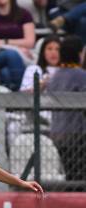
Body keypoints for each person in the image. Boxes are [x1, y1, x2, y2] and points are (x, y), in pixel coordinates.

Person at [47, 35, 86, 181]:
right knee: (80, 178)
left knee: (72, 175)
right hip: (78, 136)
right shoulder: (81, 76)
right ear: (78, 54)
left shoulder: (55, 76)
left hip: (58, 134)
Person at [0, 0, 35, 91]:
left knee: (5, 73)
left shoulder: (24, 14)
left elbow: (30, 42)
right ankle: (23, 92)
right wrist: (16, 46)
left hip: (22, 54)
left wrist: (5, 42)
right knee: (11, 54)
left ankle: (11, 99)